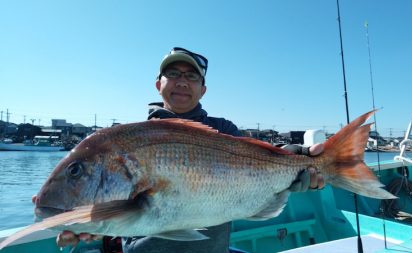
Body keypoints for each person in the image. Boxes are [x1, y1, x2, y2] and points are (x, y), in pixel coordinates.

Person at [36, 47, 325, 252]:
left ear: (203, 90)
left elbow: (258, 157)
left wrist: (296, 159)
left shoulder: (223, 129)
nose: (182, 82)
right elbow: (115, 215)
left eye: (192, 77)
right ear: (158, 84)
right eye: (173, 73)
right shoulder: (128, 136)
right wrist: (83, 226)